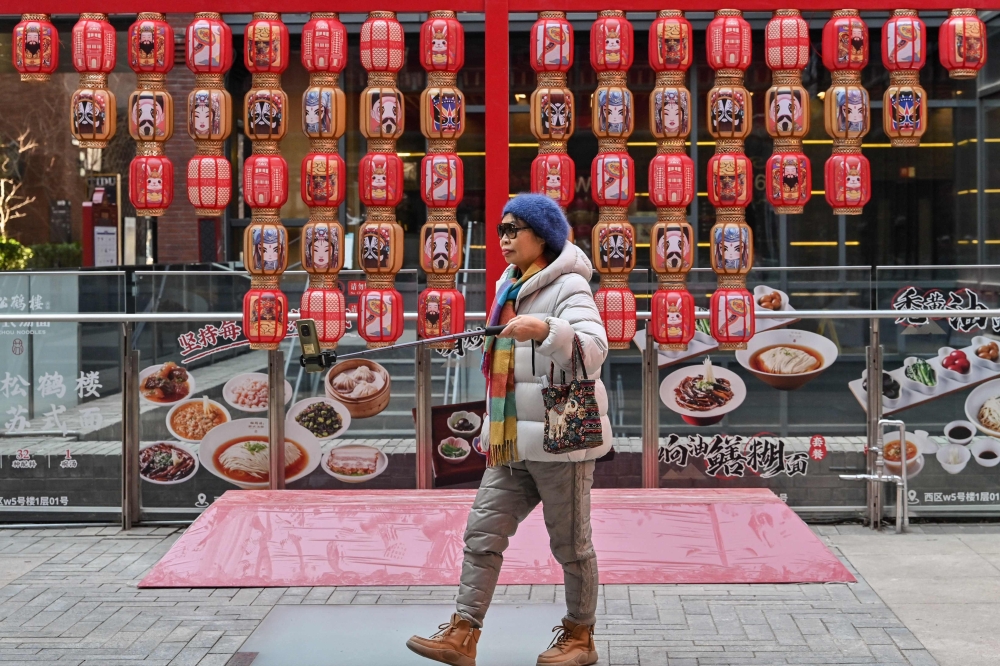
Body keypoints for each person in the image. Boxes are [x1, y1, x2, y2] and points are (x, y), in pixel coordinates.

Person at [406, 194, 612, 666]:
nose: (503, 238)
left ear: (542, 235)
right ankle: (463, 634)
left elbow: (595, 351)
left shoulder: (570, 287)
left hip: (562, 434)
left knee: (572, 545)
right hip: (511, 437)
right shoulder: (507, 286)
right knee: (482, 533)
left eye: (513, 228)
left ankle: (580, 638)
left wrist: (546, 330)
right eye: (500, 229)